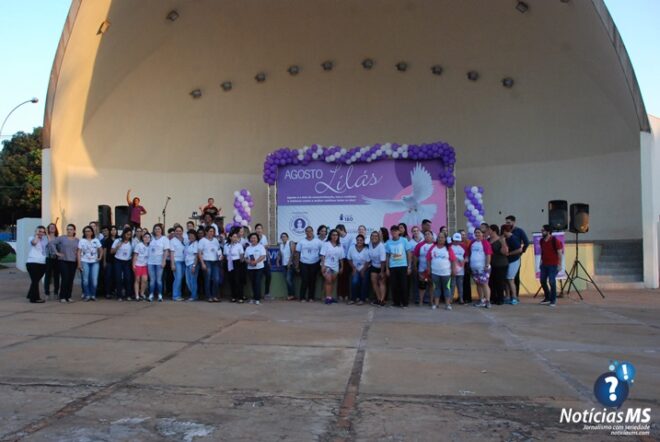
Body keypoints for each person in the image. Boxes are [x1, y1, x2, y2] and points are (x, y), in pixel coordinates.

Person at [427, 232, 456, 310]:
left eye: (442, 237)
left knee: (447, 288)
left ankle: (448, 304)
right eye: (439, 237)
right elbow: (428, 259)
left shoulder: (448, 248)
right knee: (436, 288)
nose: (440, 239)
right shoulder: (433, 247)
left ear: (445, 239)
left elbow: (453, 260)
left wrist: (453, 270)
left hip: (446, 273)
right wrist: (429, 269)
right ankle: (436, 304)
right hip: (435, 273)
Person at [385, 225, 412, 308]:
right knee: (394, 285)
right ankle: (396, 302)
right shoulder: (388, 243)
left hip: (403, 266)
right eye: (392, 231)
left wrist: (409, 266)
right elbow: (387, 256)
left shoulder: (404, 240)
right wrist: (387, 268)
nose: (394, 232)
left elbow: (408, 253)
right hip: (392, 267)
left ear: (399, 232)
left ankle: (405, 303)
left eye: (396, 231)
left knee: (403, 285)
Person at [51, 224, 79, 303]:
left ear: (74, 231)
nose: (69, 231)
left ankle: (68, 296)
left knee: (71, 279)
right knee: (65, 278)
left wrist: (79, 262)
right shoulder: (62, 238)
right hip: (63, 261)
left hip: (73, 261)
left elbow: (79, 251)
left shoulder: (77, 240)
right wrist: (56, 252)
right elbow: (51, 243)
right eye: (68, 229)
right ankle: (62, 296)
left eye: (71, 229)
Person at [296, 226, 323, 302]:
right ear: (305, 232)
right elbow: (297, 254)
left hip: (315, 263)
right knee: (304, 280)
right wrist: (297, 265)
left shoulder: (318, 242)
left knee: (313, 280)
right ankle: (302, 297)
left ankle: (311, 297)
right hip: (303, 263)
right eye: (307, 231)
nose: (309, 233)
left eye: (310, 231)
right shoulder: (301, 242)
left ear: (313, 232)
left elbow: (322, 253)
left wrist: (322, 264)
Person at [505, 215, 530, 295]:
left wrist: (521, 252)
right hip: (505, 258)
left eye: (509, 222)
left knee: (515, 277)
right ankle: (508, 295)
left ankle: (516, 295)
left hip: (515, 257)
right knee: (506, 277)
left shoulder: (519, 231)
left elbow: (526, 242)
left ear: (514, 222)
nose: (507, 224)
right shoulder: (505, 231)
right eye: (506, 222)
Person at [78, 225, 103, 302]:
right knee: (85, 280)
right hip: (85, 261)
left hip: (95, 262)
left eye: (89, 231)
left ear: (92, 232)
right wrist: (79, 263)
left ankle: (93, 295)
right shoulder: (82, 241)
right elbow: (79, 252)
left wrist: (100, 257)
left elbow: (101, 250)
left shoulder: (96, 240)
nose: (87, 233)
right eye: (85, 231)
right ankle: (87, 295)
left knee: (94, 280)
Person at [539, 224, 563, 307]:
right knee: (542, 280)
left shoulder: (555, 241)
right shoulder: (541, 241)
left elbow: (560, 253)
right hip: (544, 265)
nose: (541, 232)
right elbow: (543, 252)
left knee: (552, 281)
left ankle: (553, 300)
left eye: (543, 230)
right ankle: (547, 298)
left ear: (548, 232)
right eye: (541, 230)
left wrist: (559, 264)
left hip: (553, 265)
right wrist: (540, 262)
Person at [469, 228, 493, 308]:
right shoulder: (472, 243)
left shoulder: (485, 243)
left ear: (482, 234)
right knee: (478, 284)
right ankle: (481, 300)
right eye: (476, 233)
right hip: (474, 268)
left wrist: (487, 265)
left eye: (479, 232)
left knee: (484, 284)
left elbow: (488, 254)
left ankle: (488, 301)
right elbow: (469, 253)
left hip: (483, 268)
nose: (477, 234)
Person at [198, 226, 222, 302]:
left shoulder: (215, 240)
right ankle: (208, 296)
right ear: (206, 232)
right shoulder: (202, 240)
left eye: (213, 231)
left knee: (216, 279)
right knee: (207, 279)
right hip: (207, 261)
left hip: (215, 262)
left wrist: (221, 256)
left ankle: (215, 295)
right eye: (210, 231)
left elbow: (219, 250)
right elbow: (199, 253)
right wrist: (202, 263)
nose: (212, 233)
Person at [321, 229, 345, 304]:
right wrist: (323, 266)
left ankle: (330, 297)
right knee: (328, 281)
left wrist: (342, 267)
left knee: (331, 282)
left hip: (335, 267)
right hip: (327, 265)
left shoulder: (340, 245)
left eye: (336, 235)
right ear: (330, 236)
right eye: (333, 235)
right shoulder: (326, 244)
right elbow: (322, 255)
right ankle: (328, 298)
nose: (335, 236)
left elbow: (341, 258)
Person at [147, 224, 170, 302]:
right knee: (152, 280)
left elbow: (166, 251)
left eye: (159, 229)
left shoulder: (164, 239)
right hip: (150, 262)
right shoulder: (151, 238)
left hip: (159, 262)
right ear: (153, 230)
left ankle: (160, 295)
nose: (157, 230)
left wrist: (164, 261)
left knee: (159, 280)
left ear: (161, 230)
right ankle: (151, 295)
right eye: (155, 229)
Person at [26, 226, 48, 303]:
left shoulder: (45, 239)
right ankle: (35, 298)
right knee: (35, 280)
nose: (41, 233)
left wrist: (47, 234)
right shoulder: (31, 238)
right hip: (32, 262)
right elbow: (34, 243)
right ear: (36, 231)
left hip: (43, 262)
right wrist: (37, 235)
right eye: (40, 231)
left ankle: (30, 294)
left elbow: (50, 244)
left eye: (43, 232)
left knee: (35, 280)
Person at [502, 224, 523, 304]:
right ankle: (507, 296)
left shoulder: (513, 238)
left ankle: (514, 297)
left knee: (510, 279)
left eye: (502, 231)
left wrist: (509, 254)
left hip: (514, 261)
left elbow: (520, 250)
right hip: (508, 261)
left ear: (504, 231)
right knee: (506, 279)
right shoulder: (506, 238)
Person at [488, 224, 509, 305]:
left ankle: (500, 299)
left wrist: (503, 242)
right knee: (491, 282)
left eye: (489, 230)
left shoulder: (500, 240)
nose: (488, 231)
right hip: (491, 264)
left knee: (499, 282)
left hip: (501, 264)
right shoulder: (488, 240)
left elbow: (505, 252)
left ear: (494, 231)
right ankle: (493, 298)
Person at [412, 230, 434, 306]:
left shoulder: (435, 245)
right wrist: (415, 266)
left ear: (432, 236)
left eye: (429, 234)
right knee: (422, 285)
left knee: (431, 285)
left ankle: (431, 301)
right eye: (425, 234)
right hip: (422, 269)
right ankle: (421, 301)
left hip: (433, 269)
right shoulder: (419, 245)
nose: (427, 235)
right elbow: (415, 256)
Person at [112, 228, 134, 301]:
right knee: (118, 278)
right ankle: (119, 296)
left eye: (130, 235)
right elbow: (111, 251)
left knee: (127, 278)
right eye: (127, 234)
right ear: (124, 234)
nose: (128, 236)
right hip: (118, 261)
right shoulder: (117, 240)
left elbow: (134, 252)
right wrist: (117, 247)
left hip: (127, 261)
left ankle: (128, 295)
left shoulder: (132, 242)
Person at [347, 234, 370, 305]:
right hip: (355, 268)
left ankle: (362, 299)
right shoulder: (351, 248)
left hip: (365, 268)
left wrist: (363, 270)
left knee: (364, 282)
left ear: (363, 241)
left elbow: (368, 261)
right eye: (358, 240)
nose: (359, 241)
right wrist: (353, 268)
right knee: (354, 281)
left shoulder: (366, 249)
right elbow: (349, 259)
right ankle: (353, 299)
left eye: (361, 240)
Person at [245, 232, 267, 304]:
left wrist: (256, 262)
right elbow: (245, 257)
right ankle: (254, 298)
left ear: (257, 239)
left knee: (257, 282)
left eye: (254, 238)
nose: (253, 239)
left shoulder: (261, 247)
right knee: (253, 283)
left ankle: (257, 299)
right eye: (251, 238)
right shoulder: (248, 248)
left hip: (259, 268)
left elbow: (263, 256)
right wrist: (249, 262)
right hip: (250, 268)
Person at [224, 229, 246, 303]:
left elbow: (241, 255)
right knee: (231, 280)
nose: (235, 238)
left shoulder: (239, 245)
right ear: (230, 237)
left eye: (236, 237)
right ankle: (233, 296)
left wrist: (242, 262)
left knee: (238, 280)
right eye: (234, 237)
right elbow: (225, 255)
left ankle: (240, 297)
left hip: (237, 263)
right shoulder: (226, 245)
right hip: (229, 263)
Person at [368, 230, 387, 306]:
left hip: (382, 266)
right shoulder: (370, 244)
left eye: (376, 236)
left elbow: (383, 260)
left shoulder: (381, 246)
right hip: (374, 266)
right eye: (372, 236)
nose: (374, 237)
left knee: (381, 282)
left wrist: (382, 272)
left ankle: (382, 300)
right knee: (374, 282)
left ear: (379, 238)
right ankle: (378, 299)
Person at [336, 224, 353, 302]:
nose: (337, 233)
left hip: (347, 260)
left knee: (346, 278)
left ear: (342, 229)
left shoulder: (350, 237)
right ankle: (339, 294)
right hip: (339, 260)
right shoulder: (337, 238)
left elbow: (351, 249)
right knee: (340, 277)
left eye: (338, 231)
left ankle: (346, 294)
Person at [450, 232, 468, 304]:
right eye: (455, 240)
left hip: (461, 269)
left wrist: (463, 261)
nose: (457, 242)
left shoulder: (463, 246)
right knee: (452, 284)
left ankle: (461, 299)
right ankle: (451, 298)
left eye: (458, 240)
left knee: (460, 285)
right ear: (453, 240)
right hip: (452, 268)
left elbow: (467, 257)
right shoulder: (450, 246)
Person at [169, 225, 186, 301]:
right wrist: (172, 264)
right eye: (177, 231)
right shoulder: (172, 241)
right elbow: (172, 253)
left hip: (184, 262)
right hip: (176, 261)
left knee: (180, 279)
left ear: (182, 232)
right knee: (178, 278)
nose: (178, 232)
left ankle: (179, 295)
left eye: (180, 231)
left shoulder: (184, 240)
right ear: (175, 232)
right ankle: (175, 296)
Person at [255, 223, 271, 299]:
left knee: (269, 276)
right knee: (258, 279)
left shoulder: (264, 237)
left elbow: (266, 249)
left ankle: (266, 293)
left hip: (264, 260)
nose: (259, 230)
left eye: (260, 228)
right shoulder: (254, 237)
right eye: (257, 228)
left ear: (262, 230)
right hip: (257, 261)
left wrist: (269, 260)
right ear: (255, 230)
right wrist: (263, 246)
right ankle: (258, 295)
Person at [278, 232, 297, 300]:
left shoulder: (290, 243)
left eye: (285, 236)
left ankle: (292, 295)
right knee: (288, 280)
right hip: (284, 265)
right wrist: (277, 261)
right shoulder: (281, 245)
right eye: (282, 237)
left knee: (288, 280)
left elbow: (293, 253)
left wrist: (289, 262)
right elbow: (280, 254)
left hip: (290, 265)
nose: (283, 238)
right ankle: (290, 295)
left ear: (287, 237)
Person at [132, 232, 150, 301]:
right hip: (138, 265)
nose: (147, 238)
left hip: (145, 265)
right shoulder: (139, 245)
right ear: (143, 238)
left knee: (144, 280)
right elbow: (135, 255)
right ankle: (137, 295)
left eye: (148, 237)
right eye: (145, 237)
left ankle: (142, 293)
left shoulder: (150, 246)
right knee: (137, 280)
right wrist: (133, 265)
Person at [44, 223, 60, 298]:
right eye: (50, 227)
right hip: (48, 258)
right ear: (48, 229)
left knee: (57, 276)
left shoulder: (58, 238)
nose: (52, 228)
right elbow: (48, 244)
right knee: (48, 276)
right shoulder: (45, 238)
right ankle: (47, 292)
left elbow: (59, 248)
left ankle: (56, 292)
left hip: (56, 259)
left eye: (54, 227)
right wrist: (47, 234)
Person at [102, 225, 118, 299]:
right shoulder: (107, 240)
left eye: (114, 230)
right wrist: (104, 261)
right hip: (109, 260)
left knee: (116, 276)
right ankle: (107, 292)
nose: (113, 231)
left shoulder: (119, 239)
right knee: (108, 276)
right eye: (112, 230)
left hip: (117, 261)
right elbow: (105, 251)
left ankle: (114, 290)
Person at [184, 229, 199, 301]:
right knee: (188, 281)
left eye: (192, 235)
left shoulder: (196, 244)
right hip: (187, 264)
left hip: (192, 264)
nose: (190, 236)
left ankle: (194, 296)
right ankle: (194, 294)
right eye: (189, 235)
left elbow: (196, 256)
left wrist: (194, 266)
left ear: (195, 236)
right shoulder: (187, 243)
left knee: (193, 281)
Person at [459, 229, 473, 303]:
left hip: (466, 265)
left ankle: (467, 297)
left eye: (464, 235)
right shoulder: (456, 243)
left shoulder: (469, 243)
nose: (463, 236)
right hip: (457, 266)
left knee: (466, 281)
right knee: (460, 282)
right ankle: (461, 297)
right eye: (462, 235)